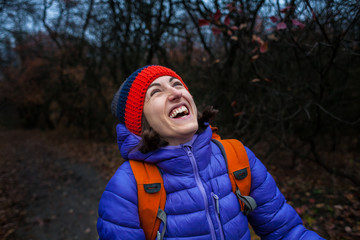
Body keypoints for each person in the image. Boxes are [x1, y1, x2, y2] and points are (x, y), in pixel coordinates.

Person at [97, 65, 324, 239]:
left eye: (177, 84)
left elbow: (287, 232)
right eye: (155, 92)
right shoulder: (126, 188)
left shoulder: (237, 157)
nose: (176, 93)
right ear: (141, 122)